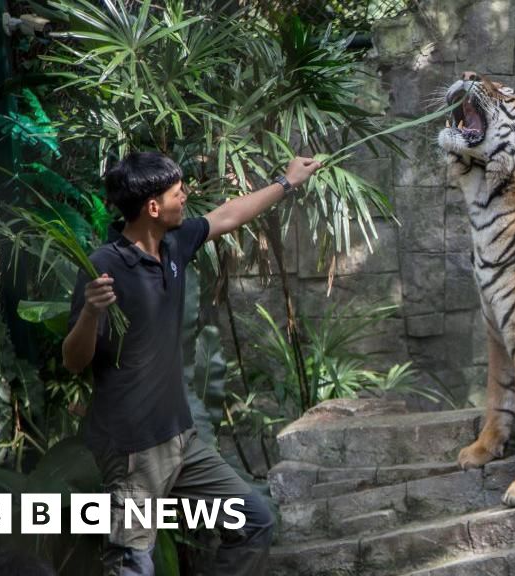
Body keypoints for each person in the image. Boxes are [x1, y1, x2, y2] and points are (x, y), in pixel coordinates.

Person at [63, 152, 321, 575]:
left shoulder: (175, 243)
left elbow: (228, 215)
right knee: (132, 563)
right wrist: (91, 312)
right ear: (153, 207)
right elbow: (74, 361)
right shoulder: (105, 266)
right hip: (133, 449)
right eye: (177, 192)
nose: (185, 196)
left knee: (254, 520)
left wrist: (286, 182)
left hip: (182, 440)